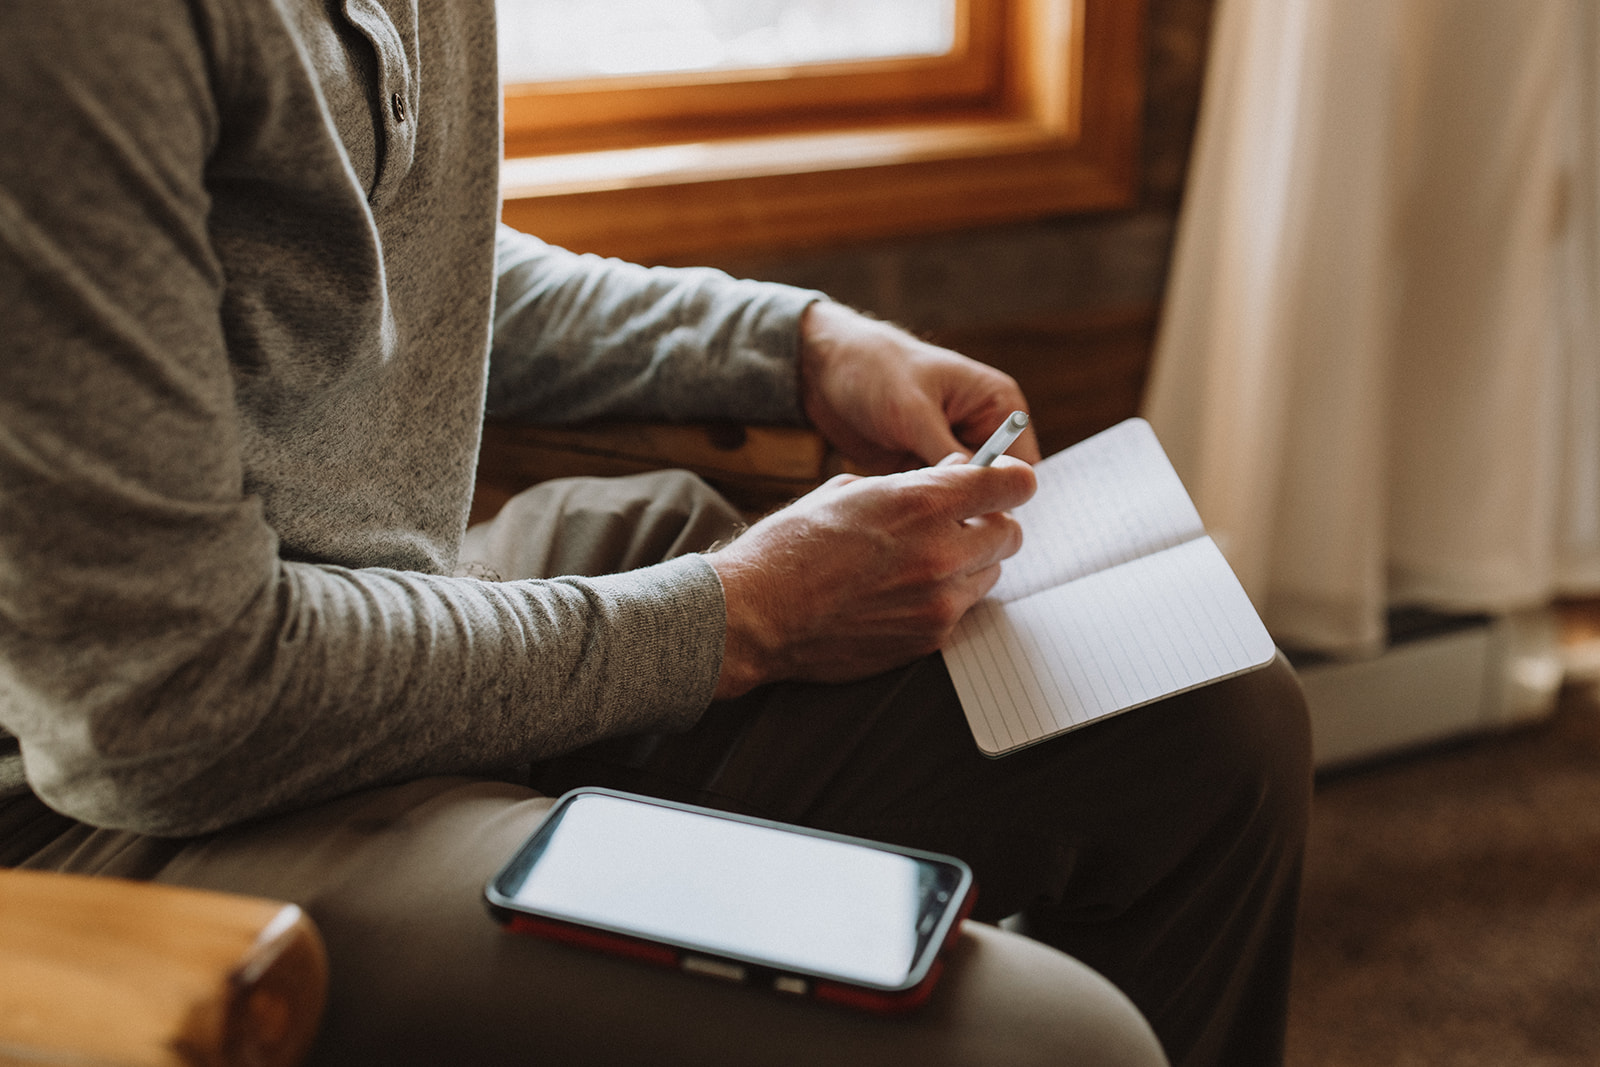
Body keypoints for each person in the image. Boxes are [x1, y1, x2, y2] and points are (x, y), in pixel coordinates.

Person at [0, 2, 1312, 1064]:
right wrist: (745, 618)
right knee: (1050, 1044)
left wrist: (794, 347)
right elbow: (170, 705)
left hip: (395, 622)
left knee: (1210, 722)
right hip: (116, 812)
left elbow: (370, 254)